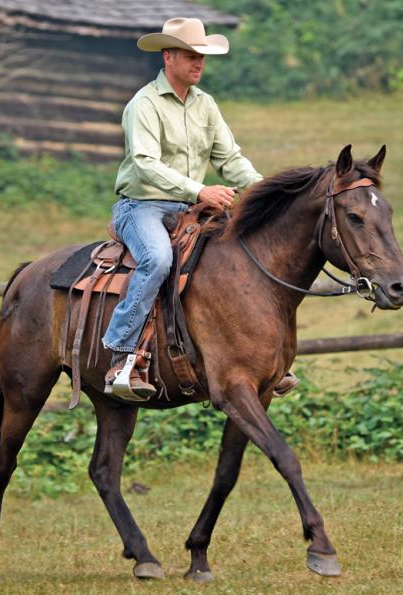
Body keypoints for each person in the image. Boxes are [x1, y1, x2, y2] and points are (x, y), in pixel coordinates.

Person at [103, 17, 297, 400]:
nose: (199, 64)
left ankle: (258, 356)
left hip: (193, 207)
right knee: (157, 260)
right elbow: (145, 163)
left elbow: (231, 159)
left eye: (203, 57)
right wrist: (199, 190)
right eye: (191, 55)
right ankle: (122, 354)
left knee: (244, 255)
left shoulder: (206, 104)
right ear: (168, 56)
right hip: (142, 206)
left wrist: (266, 193)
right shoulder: (143, 105)